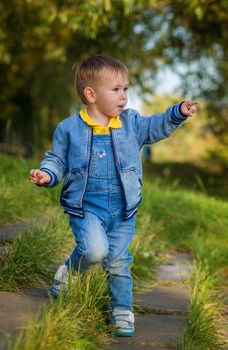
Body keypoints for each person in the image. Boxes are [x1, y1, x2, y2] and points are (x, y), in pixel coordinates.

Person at [29, 55, 197, 337]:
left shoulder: (131, 123)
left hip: (123, 209)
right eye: (116, 89)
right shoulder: (69, 129)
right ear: (91, 94)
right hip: (86, 207)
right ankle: (70, 272)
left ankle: (121, 309)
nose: (123, 96)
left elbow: (156, 126)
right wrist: (47, 175)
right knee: (95, 250)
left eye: (126, 89)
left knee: (118, 261)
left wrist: (177, 112)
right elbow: (57, 160)